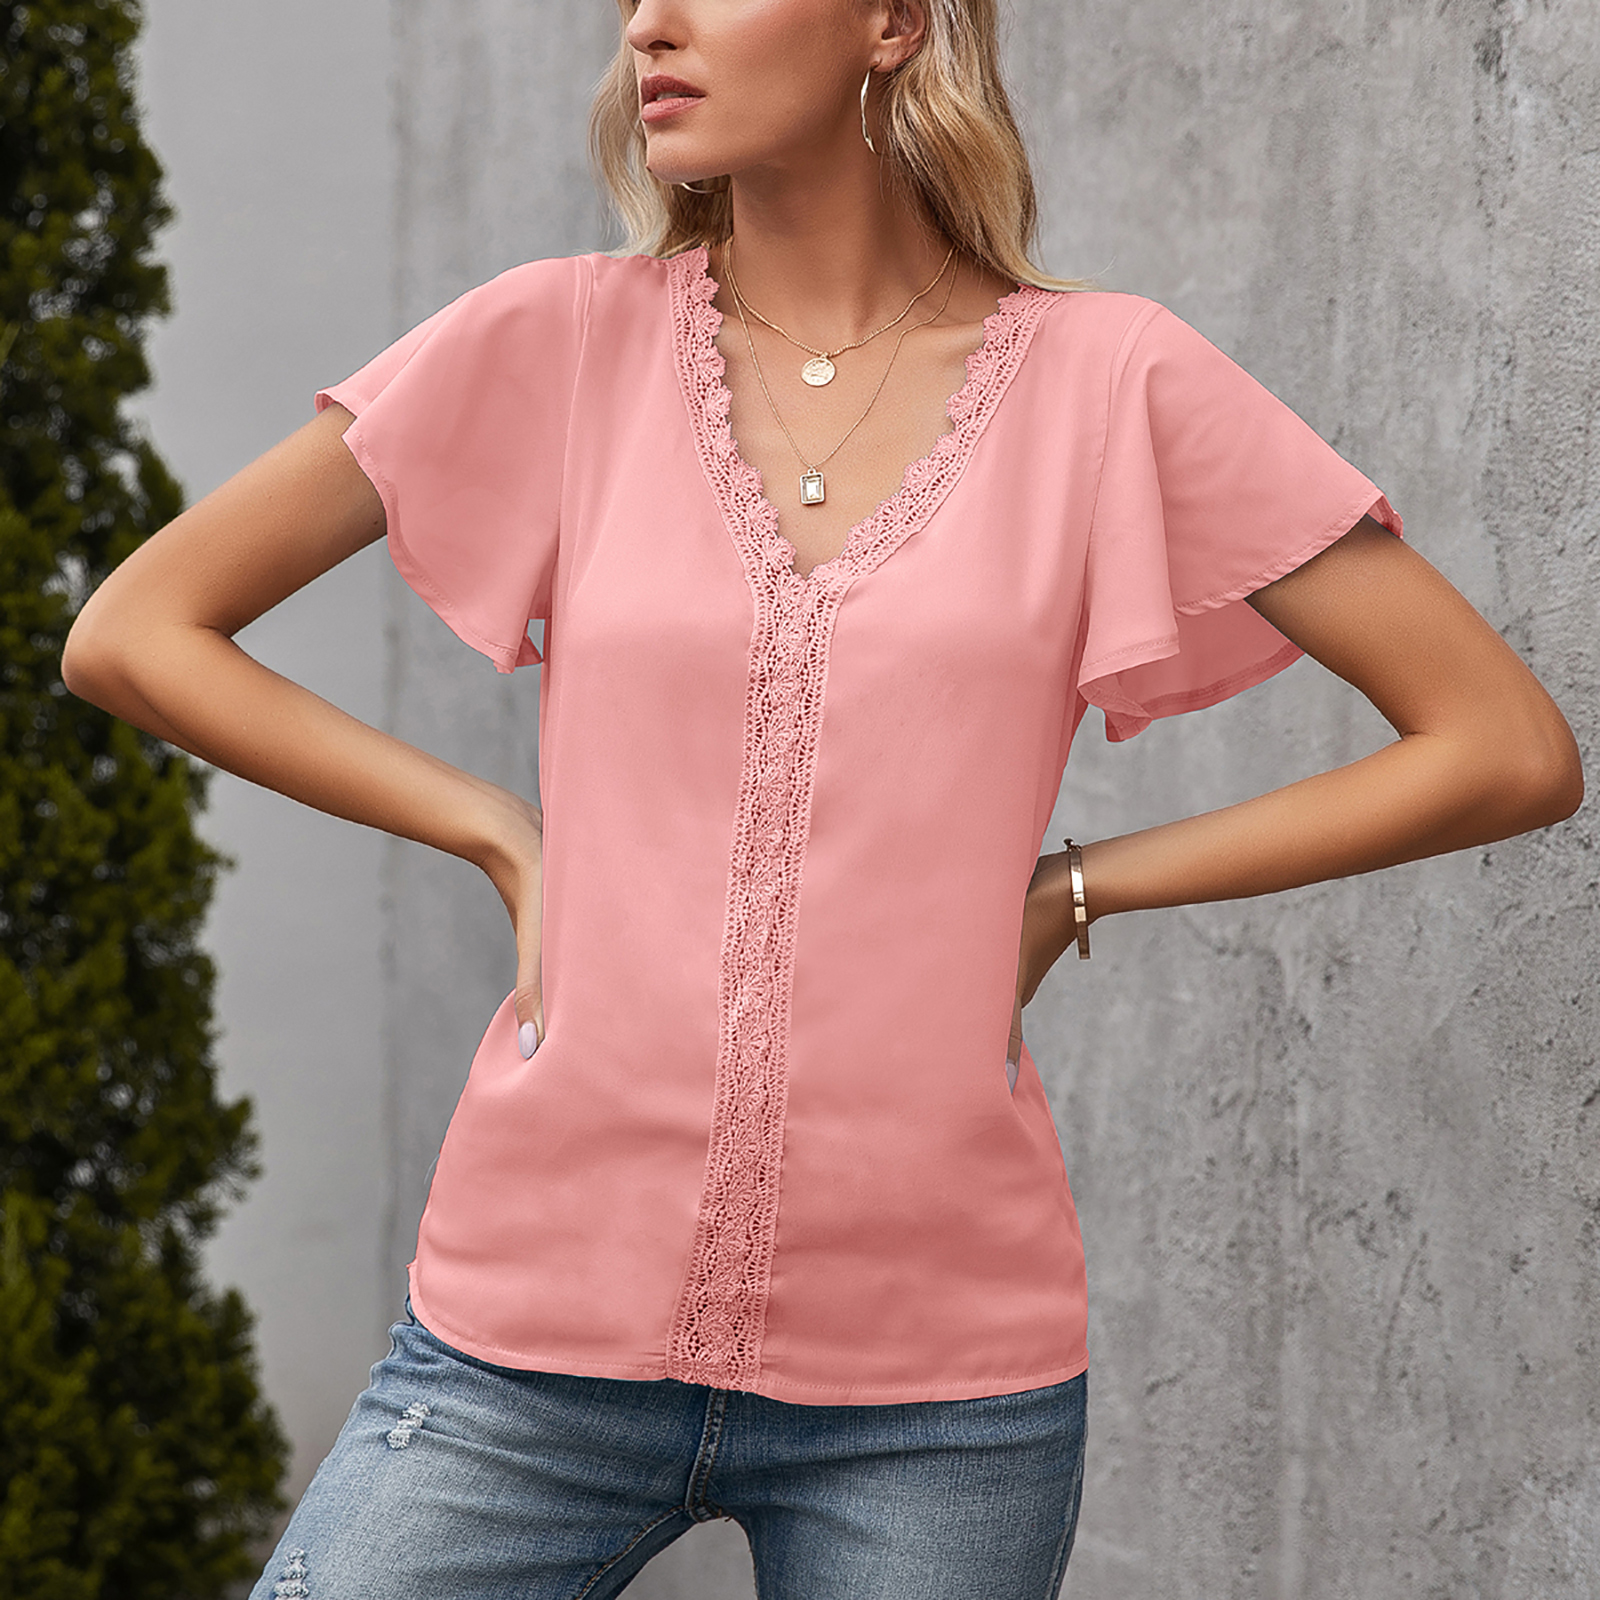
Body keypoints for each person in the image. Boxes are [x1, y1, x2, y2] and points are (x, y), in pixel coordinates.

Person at [62, 0, 1582, 1595]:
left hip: (936, 1392)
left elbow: (1501, 745)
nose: (650, 24)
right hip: (528, 1338)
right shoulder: (555, 339)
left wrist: (1081, 886)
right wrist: (498, 833)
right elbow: (136, 632)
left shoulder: (1111, 379)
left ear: (893, 22)